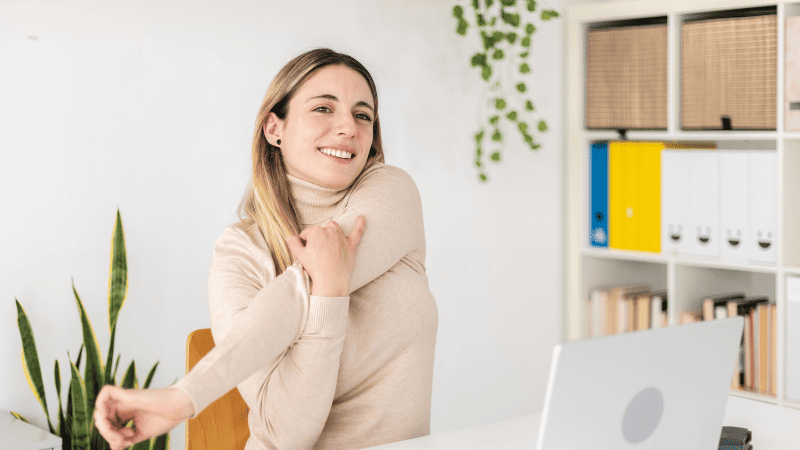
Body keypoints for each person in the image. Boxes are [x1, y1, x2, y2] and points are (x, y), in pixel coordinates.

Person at [93, 48, 439, 450]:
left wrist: (183, 397)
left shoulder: (392, 192)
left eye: (363, 115)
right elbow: (285, 435)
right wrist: (328, 295)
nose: (349, 126)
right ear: (274, 128)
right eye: (324, 108)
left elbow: (311, 278)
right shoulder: (240, 252)